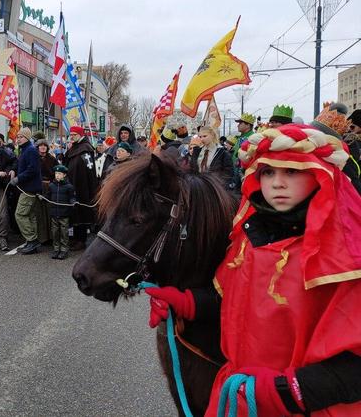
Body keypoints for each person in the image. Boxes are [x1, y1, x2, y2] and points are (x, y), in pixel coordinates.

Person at [145, 124, 361, 416]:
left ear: (319, 174)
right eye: (268, 172)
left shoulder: (346, 255)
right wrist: (187, 302)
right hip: (243, 400)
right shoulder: (248, 237)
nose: (277, 183)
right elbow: (237, 302)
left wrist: (291, 391)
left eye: (292, 171)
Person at [63, 125, 98, 251]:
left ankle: (81, 240)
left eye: (74, 135)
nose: (71, 137)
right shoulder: (75, 147)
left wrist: (90, 188)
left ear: (80, 135)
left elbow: (90, 170)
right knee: (74, 212)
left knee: (81, 212)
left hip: (82, 186)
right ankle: (74, 238)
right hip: (72, 184)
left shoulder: (86, 149)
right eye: (70, 134)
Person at [10, 127, 42, 255]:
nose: (18, 139)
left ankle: (32, 240)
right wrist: (14, 170)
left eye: (20, 137)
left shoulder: (30, 150)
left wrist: (18, 178)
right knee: (30, 215)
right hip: (29, 188)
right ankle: (31, 242)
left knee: (20, 214)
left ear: (27, 138)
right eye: (17, 137)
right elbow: (22, 166)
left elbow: (32, 170)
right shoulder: (25, 150)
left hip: (29, 188)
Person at [45, 164, 76, 260]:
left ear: (64, 175)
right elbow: (48, 196)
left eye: (59, 173)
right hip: (54, 213)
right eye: (56, 173)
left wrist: (73, 202)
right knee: (55, 232)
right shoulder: (51, 186)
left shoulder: (69, 187)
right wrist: (43, 198)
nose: (57, 175)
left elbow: (72, 197)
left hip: (64, 214)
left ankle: (64, 250)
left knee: (64, 233)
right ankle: (56, 249)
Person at [36, 138, 57, 245]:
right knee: (40, 213)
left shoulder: (52, 159)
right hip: (38, 186)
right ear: (37, 147)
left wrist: (53, 183)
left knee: (50, 212)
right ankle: (42, 237)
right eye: (40, 145)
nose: (43, 147)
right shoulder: (34, 158)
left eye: (44, 145)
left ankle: (52, 237)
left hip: (50, 186)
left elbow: (57, 172)